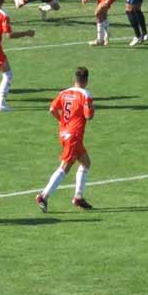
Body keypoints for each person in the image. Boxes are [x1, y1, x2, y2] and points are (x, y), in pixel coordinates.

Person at [35, 66, 96, 213]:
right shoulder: (85, 94)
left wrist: (61, 121)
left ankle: (78, 197)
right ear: (86, 80)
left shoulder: (64, 93)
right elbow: (88, 116)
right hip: (74, 136)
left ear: (75, 79)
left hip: (64, 133)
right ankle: (43, 196)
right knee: (65, 167)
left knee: (86, 163)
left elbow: (52, 109)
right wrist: (92, 109)